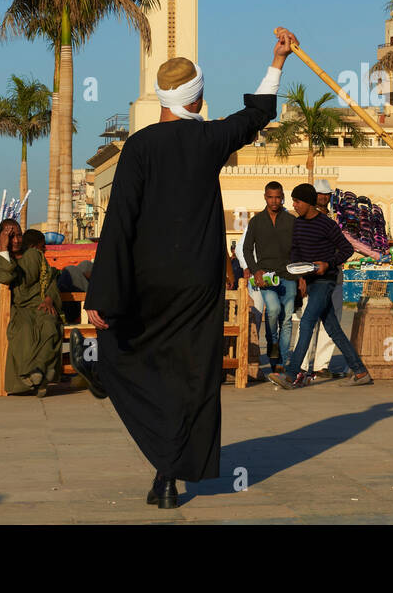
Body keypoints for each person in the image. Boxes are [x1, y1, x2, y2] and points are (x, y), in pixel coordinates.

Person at [79, 29, 295, 510]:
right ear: (197, 96)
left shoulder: (138, 147)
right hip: (197, 283)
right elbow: (256, 115)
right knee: (191, 377)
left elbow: (120, 223)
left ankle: (161, 464)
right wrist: (277, 60)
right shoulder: (208, 137)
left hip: (147, 281)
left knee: (126, 357)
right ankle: (170, 474)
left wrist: (103, 295)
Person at [269, 183, 372, 390]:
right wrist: (301, 277)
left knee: (307, 322)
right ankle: (360, 371)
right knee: (333, 328)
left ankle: (290, 375)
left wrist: (328, 264)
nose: (294, 205)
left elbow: (345, 249)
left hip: (326, 282)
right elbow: (296, 251)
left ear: (308, 202)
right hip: (310, 281)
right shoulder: (298, 224)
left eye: (297, 201)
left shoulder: (326, 224)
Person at [0, 219, 62, 397]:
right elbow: (6, 276)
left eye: (19, 235)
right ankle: (38, 375)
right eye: (10, 236)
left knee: (50, 324)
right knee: (25, 329)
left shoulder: (34, 255)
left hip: (40, 303)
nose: (16, 240)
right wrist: (4, 249)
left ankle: (37, 372)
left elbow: (50, 279)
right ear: (2, 238)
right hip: (15, 307)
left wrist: (50, 298)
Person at [242, 181, 298, 368]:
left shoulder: (291, 220)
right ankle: (273, 349)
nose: (274, 201)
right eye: (270, 197)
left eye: (277, 197)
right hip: (267, 277)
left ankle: (280, 361)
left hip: (289, 276)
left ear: (282, 197)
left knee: (287, 319)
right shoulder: (256, 221)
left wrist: (302, 277)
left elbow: (299, 250)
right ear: (265, 197)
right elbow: (247, 248)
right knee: (273, 311)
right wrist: (255, 269)